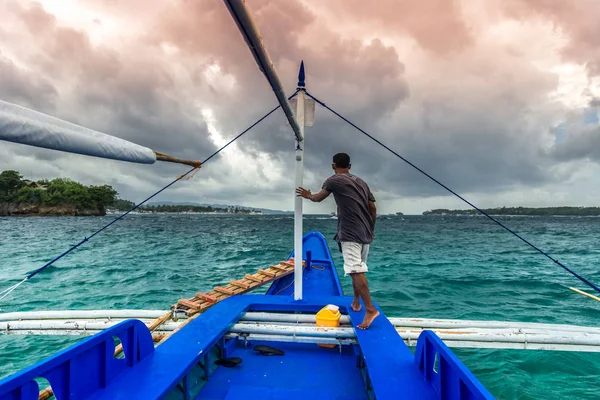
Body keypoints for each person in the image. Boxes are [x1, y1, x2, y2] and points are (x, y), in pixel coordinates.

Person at [296, 152, 379, 329]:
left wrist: (307, 195)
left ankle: (370, 309)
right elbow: (372, 207)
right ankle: (356, 301)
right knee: (358, 268)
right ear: (350, 166)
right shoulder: (362, 182)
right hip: (365, 232)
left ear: (333, 166)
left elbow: (318, 198)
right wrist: (371, 227)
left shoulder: (333, 180)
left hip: (350, 232)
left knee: (355, 270)